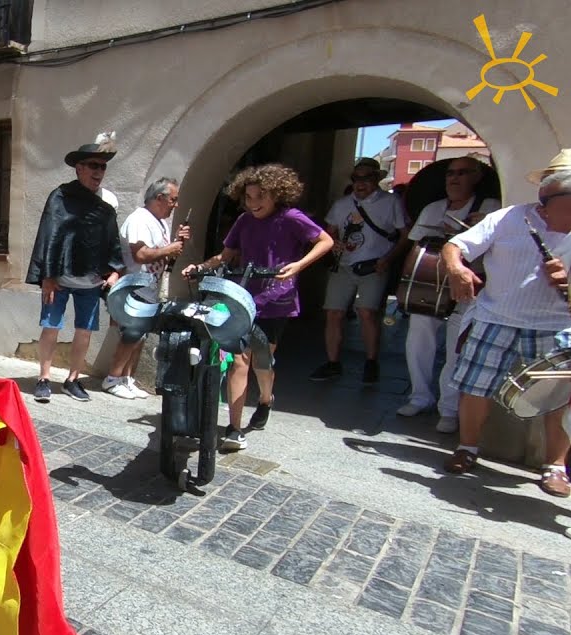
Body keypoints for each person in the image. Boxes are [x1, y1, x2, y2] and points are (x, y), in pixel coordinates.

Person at [441, 166, 571, 498]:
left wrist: (565, 283)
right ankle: (467, 448)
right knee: (476, 387)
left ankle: (556, 466)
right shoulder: (509, 218)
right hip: (495, 317)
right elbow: (456, 245)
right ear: (548, 202)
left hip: (555, 325)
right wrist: (457, 269)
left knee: (557, 400)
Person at [184, 164, 334, 450]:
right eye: (249, 197)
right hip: (244, 298)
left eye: (260, 197)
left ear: (277, 194)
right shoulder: (244, 221)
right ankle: (234, 427)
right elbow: (226, 255)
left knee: (262, 363)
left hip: (278, 300)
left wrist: (299, 265)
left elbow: (325, 241)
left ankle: (266, 399)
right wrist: (199, 268)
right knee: (239, 360)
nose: (254, 203)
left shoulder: (291, 218)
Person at [396, 157, 500, 433]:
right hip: (429, 285)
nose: (454, 178)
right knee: (418, 341)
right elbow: (416, 245)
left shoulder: (490, 209)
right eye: (450, 174)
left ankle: (449, 409)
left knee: (456, 349)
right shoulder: (433, 208)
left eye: (463, 173)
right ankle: (419, 397)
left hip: (468, 288)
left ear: (477, 177)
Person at [27, 132, 124, 402]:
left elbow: (111, 240)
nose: (99, 171)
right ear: (79, 168)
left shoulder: (107, 203)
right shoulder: (60, 196)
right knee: (51, 327)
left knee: (84, 331)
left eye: (102, 166)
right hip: (59, 278)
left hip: (91, 281)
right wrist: (46, 275)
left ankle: (73, 380)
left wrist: (115, 271)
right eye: (94, 165)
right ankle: (44, 378)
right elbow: (49, 234)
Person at [313, 157, 410, 384]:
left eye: (366, 178)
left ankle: (371, 362)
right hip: (344, 265)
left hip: (374, 265)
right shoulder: (342, 204)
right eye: (356, 178)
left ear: (377, 179)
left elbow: (406, 234)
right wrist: (332, 243)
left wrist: (388, 259)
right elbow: (328, 233)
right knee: (333, 313)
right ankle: (333, 363)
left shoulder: (391, 202)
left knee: (367, 312)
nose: (360, 183)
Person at [103, 176, 188, 399]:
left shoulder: (160, 222)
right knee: (131, 334)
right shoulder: (139, 219)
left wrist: (176, 245)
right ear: (160, 198)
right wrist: (171, 248)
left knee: (140, 337)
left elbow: (164, 259)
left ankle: (127, 379)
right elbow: (140, 255)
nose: (175, 205)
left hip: (149, 289)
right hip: (135, 287)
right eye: (173, 200)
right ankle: (112, 378)